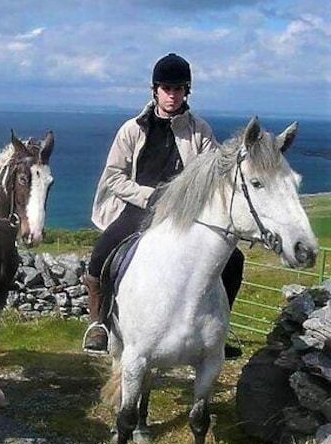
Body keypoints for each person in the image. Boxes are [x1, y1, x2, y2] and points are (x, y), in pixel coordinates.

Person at [82, 54, 244, 357]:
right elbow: (114, 177)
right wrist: (147, 196)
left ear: (187, 92)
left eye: (179, 89)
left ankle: (221, 329)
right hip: (140, 209)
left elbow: (215, 174)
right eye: (166, 88)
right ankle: (99, 324)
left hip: (185, 214)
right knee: (101, 253)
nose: (172, 95)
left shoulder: (200, 130)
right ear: (155, 90)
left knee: (234, 260)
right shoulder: (132, 129)